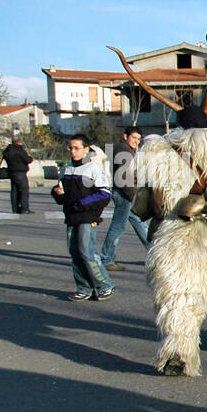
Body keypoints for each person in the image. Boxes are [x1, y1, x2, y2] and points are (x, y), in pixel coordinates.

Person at [52, 133, 114, 301]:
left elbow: (104, 194)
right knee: (75, 253)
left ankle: (104, 285)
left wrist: (82, 204)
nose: (73, 151)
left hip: (87, 217)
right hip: (71, 217)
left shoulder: (93, 168)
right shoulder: (66, 169)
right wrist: (56, 193)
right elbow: (62, 195)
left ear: (86, 150)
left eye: (77, 148)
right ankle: (84, 288)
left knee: (87, 252)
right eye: (70, 148)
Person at [100, 127, 149, 270]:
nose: (136, 141)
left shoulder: (127, 150)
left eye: (139, 139)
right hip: (125, 194)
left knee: (140, 223)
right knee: (118, 227)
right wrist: (135, 196)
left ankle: (155, 253)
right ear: (125, 136)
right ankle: (106, 259)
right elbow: (123, 178)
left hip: (126, 193)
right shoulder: (123, 150)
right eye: (134, 138)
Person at [2, 135, 34, 214]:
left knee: (14, 191)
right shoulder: (19, 150)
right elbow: (28, 160)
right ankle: (24, 208)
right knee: (24, 191)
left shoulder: (8, 150)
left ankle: (15, 209)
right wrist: (30, 158)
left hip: (11, 172)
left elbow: (4, 155)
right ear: (19, 142)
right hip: (20, 172)